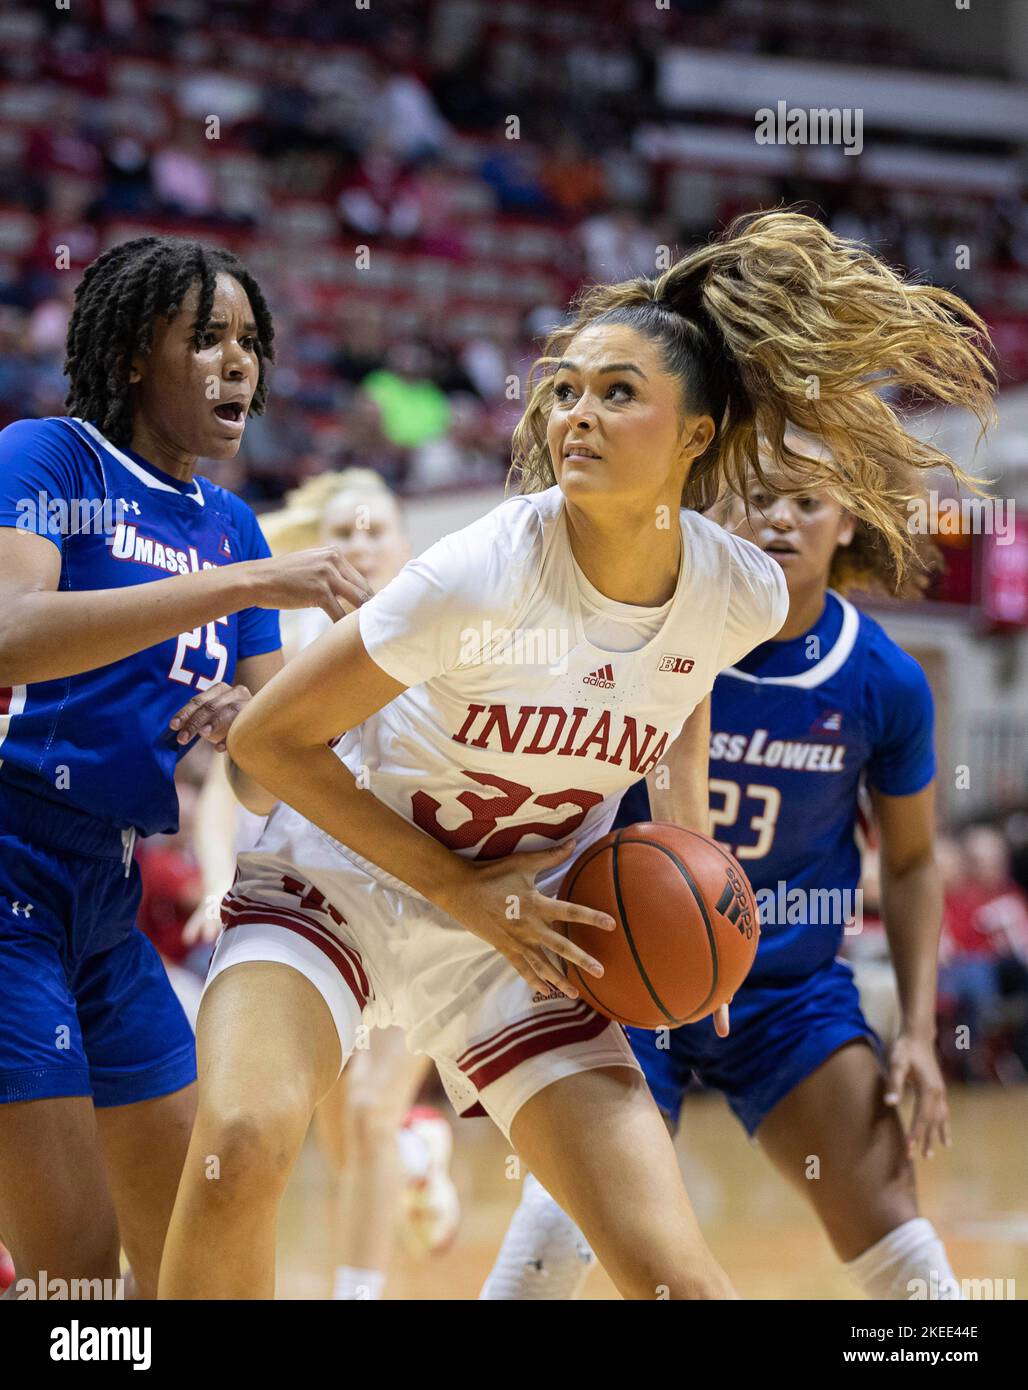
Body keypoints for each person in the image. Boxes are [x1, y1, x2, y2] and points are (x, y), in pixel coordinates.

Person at [158, 211, 993, 1300]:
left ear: (694, 437)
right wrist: (464, 890)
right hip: (346, 874)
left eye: (615, 393)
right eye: (564, 389)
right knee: (241, 1143)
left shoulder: (732, 588)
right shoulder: (482, 571)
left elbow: (681, 687)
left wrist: (692, 857)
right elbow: (273, 740)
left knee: (674, 1279)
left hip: (528, 925)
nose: (573, 414)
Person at [483, 438, 968, 1300]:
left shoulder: (884, 680)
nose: (780, 517)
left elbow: (915, 860)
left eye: (806, 501)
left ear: (848, 516)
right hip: (624, 975)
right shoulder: (650, 638)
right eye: (758, 496)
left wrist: (923, 1034)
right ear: (718, 509)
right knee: (562, 1228)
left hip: (789, 991)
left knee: (900, 1236)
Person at [0, 235, 367, 1298]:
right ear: (129, 357)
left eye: (249, 340)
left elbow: (266, 779)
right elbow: (13, 632)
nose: (238, 362)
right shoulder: (49, 457)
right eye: (205, 338)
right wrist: (240, 582)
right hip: (7, 866)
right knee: (76, 1277)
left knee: (193, 1257)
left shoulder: (233, 525)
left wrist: (246, 722)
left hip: (107, 895)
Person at [186, 468, 460, 1301]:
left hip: (425, 907)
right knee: (344, 1134)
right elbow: (233, 799)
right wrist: (210, 885)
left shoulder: (450, 641)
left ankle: (356, 1291)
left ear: (405, 548)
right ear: (321, 550)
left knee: (372, 1113)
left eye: (376, 528)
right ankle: (417, 1158)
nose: (359, 542)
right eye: (342, 530)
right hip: (321, 913)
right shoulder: (292, 658)